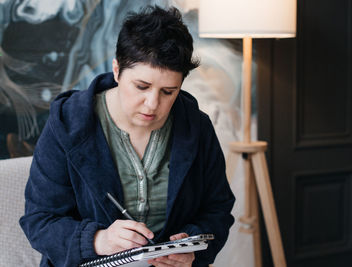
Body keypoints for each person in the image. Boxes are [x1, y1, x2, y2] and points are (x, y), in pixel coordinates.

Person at [20, 5, 235, 267]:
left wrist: (192, 248)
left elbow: (218, 209)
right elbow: (39, 221)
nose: (152, 104)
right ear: (117, 70)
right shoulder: (67, 124)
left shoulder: (197, 127)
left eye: (168, 91)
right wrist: (98, 240)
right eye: (141, 87)